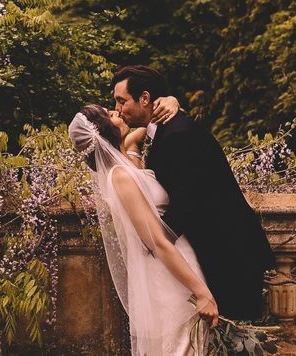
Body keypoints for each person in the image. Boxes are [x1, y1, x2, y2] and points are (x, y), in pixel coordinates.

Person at [112, 65, 275, 321]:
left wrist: (154, 242)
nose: (118, 109)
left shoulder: (177, 135)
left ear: (144, 98)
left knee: (236, 336)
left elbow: (188, 202)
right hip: (220, 250)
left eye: (121, 101)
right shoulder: (166, 129)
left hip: (230, 253)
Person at [69, 104, 217, 356]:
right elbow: (156, 241)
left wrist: (166, 105)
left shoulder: (125, 165)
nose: (117, 112)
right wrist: (201, 292)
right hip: (169, 273)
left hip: (179, 263)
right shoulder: (120, 177)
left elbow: (137, 144)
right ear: (103, 132)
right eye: (110, 114)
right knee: (181, 347)